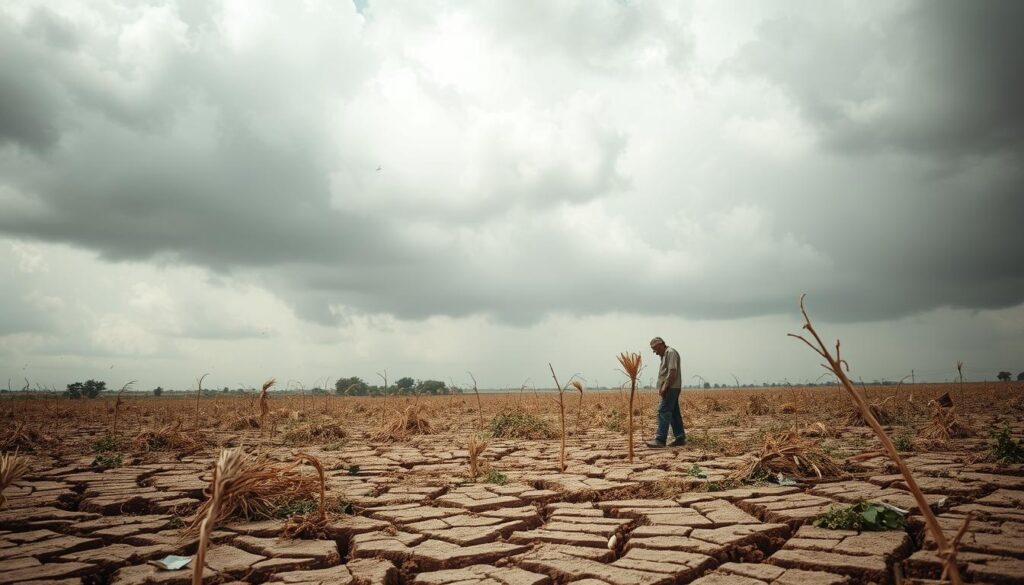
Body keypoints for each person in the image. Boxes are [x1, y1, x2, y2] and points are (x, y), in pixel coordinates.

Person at [646, 336, 686, 448]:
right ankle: (680, 438)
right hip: (671, 387)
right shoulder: (664, 355)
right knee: (674, 413)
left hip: (671, 387)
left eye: (655, 348)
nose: (654, 351)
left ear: (662, 344)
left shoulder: (670, 352)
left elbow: (672, 371)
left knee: (663, 411)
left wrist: (664, 387)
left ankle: (660, 440)